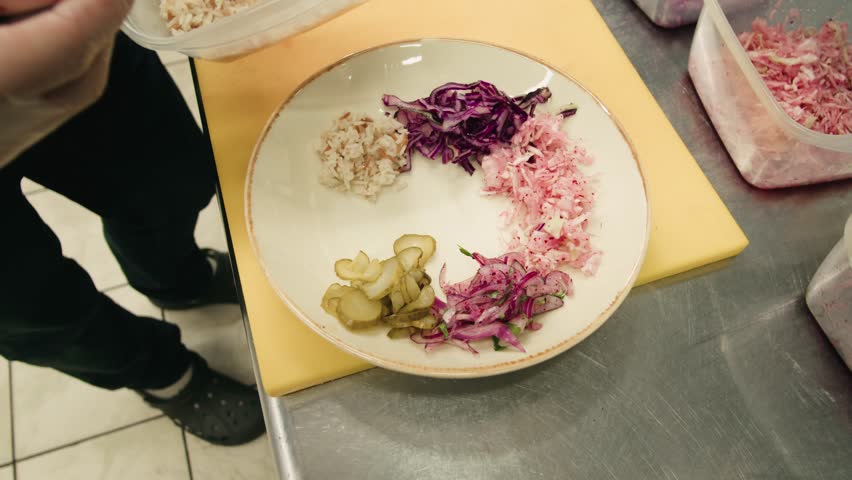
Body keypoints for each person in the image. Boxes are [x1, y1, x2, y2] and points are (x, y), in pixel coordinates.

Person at [0, 0, 265, 446]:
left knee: (167, 178)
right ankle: (165, 376)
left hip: (50, 24)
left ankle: (180, 282)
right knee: (30, 308)